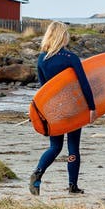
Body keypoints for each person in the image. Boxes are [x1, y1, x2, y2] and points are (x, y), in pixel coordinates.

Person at [28, 21, 97, 195]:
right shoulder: (70, 58)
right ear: (62, 36)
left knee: (55, 147)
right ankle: (72, 186)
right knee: (73, 148)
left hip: (53, 110)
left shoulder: (42, 59)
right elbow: (84, 84)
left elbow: (43, 90)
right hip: (73, 108)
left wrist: (42, 111)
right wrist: (92, 107)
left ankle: (37, 174)